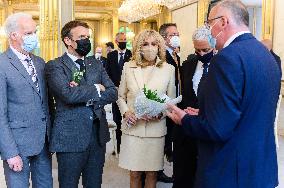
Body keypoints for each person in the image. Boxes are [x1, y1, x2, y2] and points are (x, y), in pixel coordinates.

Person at [167, 1, 281, 187]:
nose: (209, 30)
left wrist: (184, 120)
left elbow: (217, 129)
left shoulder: (226, 58)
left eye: (209, 23)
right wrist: (205, 114)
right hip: (259, 169)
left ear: (223, 22)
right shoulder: (267, 54)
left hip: (229, 171)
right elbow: (246, 110)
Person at [45, 20, 117, 188]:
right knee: (68, 184)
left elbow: (113, 92)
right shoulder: (55, 66)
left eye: (88, 37)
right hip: (70, 137)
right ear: (68, 40)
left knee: (94, 184)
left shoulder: (96, 63)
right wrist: (96, 88)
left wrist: (84, 93)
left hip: (97, 136)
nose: (87, 40)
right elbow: (68, 95)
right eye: (82, 37)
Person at [117, 29, 175, 188]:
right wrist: (126, 112)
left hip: (155, 131)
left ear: (159, 46)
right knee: (134, 173)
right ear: (138, 47)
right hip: (132, 128)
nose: (150, 47)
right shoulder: (128, 67)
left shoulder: (169, 69)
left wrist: (160, 114)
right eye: (145, 44)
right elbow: (120, 96)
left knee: (152, 173)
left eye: (153, 44)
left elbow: (171, 102)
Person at [0, 12, 53, 188]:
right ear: (13, 35)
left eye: (34, 32)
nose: (34, 37)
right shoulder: (2, 64)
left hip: (43, 143)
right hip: (17, 146)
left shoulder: (39, 62)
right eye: (28, 33)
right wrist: (10, 152)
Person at [173, 26, 217, 188]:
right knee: (184, 176)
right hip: (187, 129)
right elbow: (185, 94)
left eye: (205, 50)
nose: (201, 54)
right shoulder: (189, 64)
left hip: (209, 128)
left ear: (214, 45)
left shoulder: (223, 65)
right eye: (197, 50)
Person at [158, 22, 181, 183]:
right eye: (173, 35)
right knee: (162, 137)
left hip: (176, 101)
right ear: (164, 38)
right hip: (164, 103)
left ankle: (168, 157)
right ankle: (157, 171)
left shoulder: (176, 55)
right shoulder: (161, 57)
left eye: (177, 34)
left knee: (171, 136)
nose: (176, 37)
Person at [105, 32, 132, 154]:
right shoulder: (111, 56)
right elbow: (107, 73)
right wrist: (112, 87)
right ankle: (119, 147)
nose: (123, 42)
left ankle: (129, 146)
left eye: (125, 39)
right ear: (116, 41)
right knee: (117, 119)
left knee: (130, 118)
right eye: (121, 40)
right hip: (116, 93)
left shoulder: (131, 54)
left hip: (130, 93)